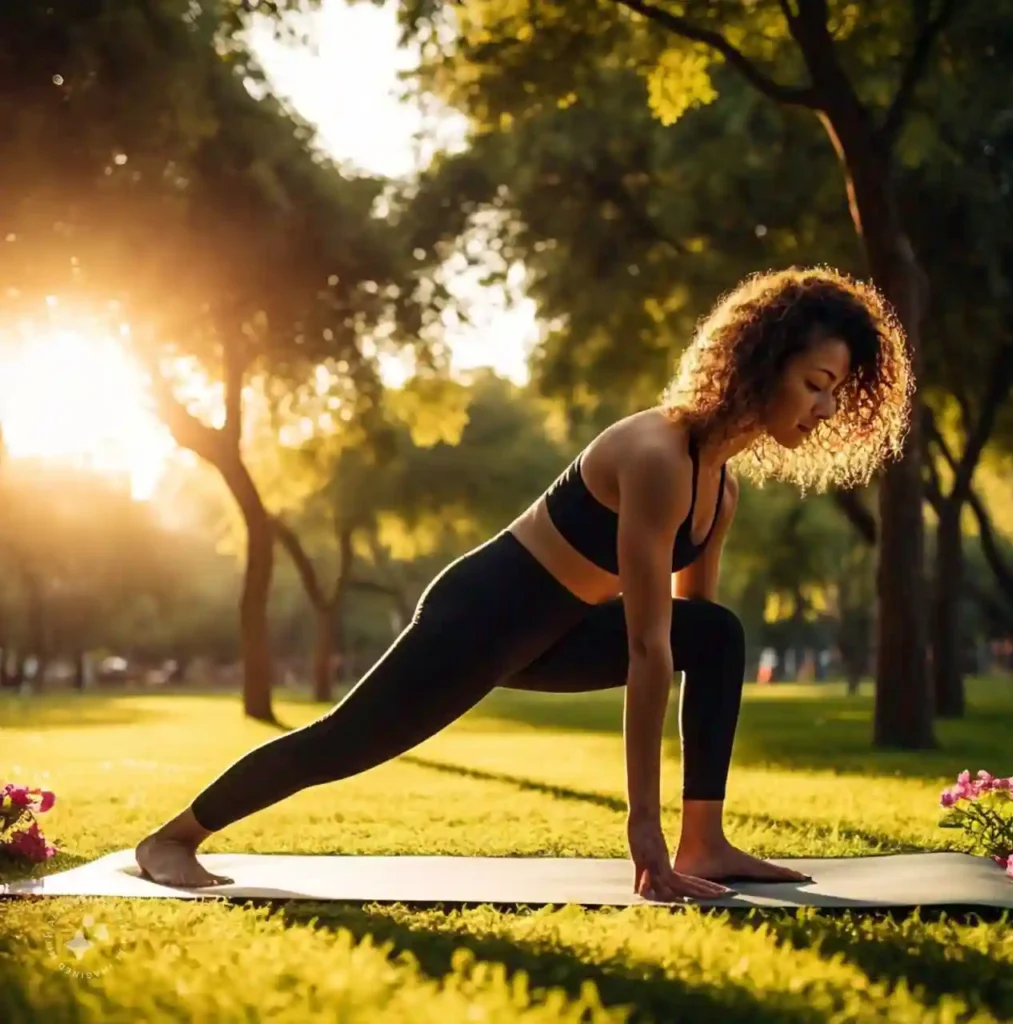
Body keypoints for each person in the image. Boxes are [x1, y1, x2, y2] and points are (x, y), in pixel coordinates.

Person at [136, 266, 911, 902]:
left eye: (837, 392)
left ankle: (704, 840)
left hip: (560, 631)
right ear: (760, 363)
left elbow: (684, 640)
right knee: (345, 743)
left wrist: (680, 819)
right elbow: (646, 651)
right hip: (482, 617)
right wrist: (641, 839)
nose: (826, 407)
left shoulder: (722, 485)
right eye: (816, 382)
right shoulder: (658, 456)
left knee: (720, 636)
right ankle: (174, 837)